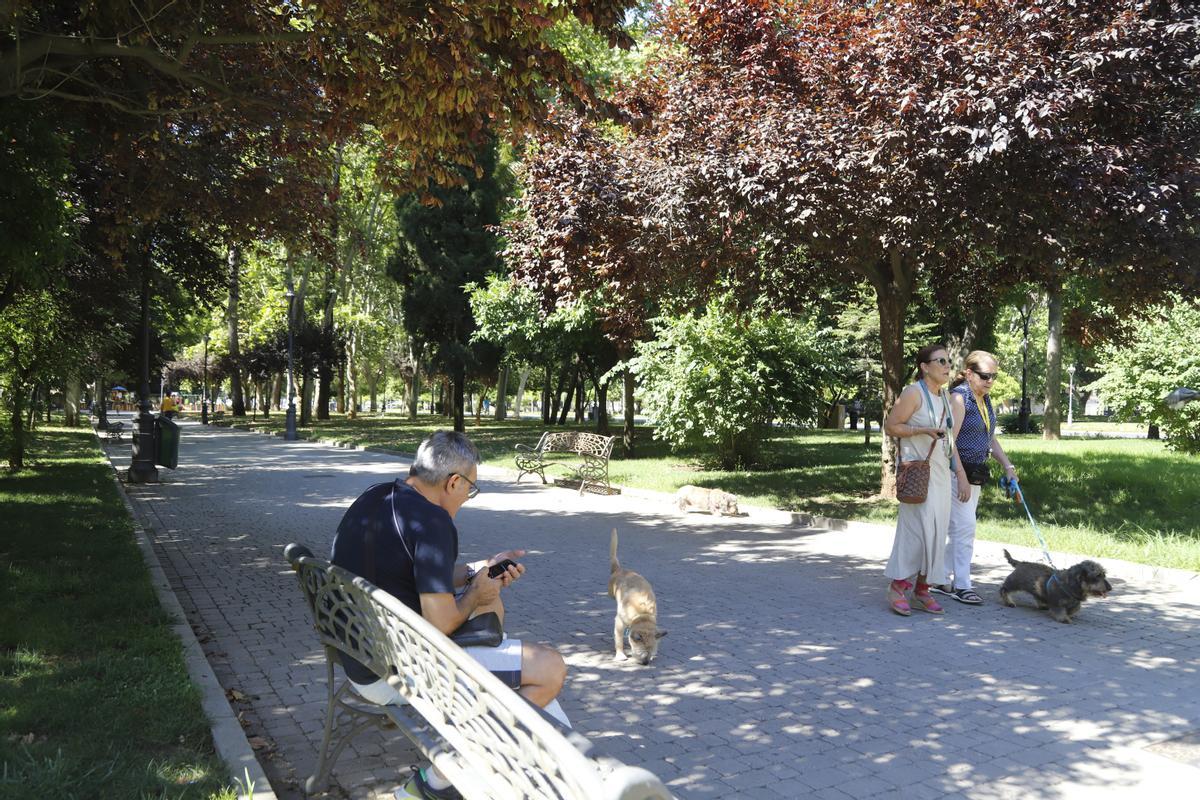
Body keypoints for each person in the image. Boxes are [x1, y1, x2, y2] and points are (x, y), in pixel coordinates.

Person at [330, 430, 568, 800]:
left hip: (359, 654)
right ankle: (435, 779)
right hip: (398, 672)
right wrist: (477, 591)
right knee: (550, 669)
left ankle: (506, 756)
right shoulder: (434, 522)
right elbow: (441, 623)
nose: (467, 498)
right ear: (453, 481)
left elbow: (413, 572)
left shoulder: (375, 497)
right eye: (469, 489)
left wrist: (477, 569)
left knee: (507, 642)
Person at [883, 344, 971, 616]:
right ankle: (899, 586)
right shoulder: (913, 392)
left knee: (936, 534)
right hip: (918, 474)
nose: (947, 366)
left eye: (948, 361)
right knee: (916, 533)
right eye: (940, 361)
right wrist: (921, 430)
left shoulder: (945, 397)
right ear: (924, 366)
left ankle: (923, 589)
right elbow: (890, 426)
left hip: (942, 474)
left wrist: (961, 474)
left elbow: (950, 440)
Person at [931, 351, 1018, 605]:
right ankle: (962, 585)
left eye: (994, 376)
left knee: (960, 527)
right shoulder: (960, 398)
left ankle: (938, 579)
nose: (990, 381)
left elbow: (989, 436)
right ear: (969, 373)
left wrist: (1008, 466)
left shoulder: (984, 399)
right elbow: (949, 441)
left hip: (974, 472)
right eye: (984, 376)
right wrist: (960, 476)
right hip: (956, 472)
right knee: (966, 527)